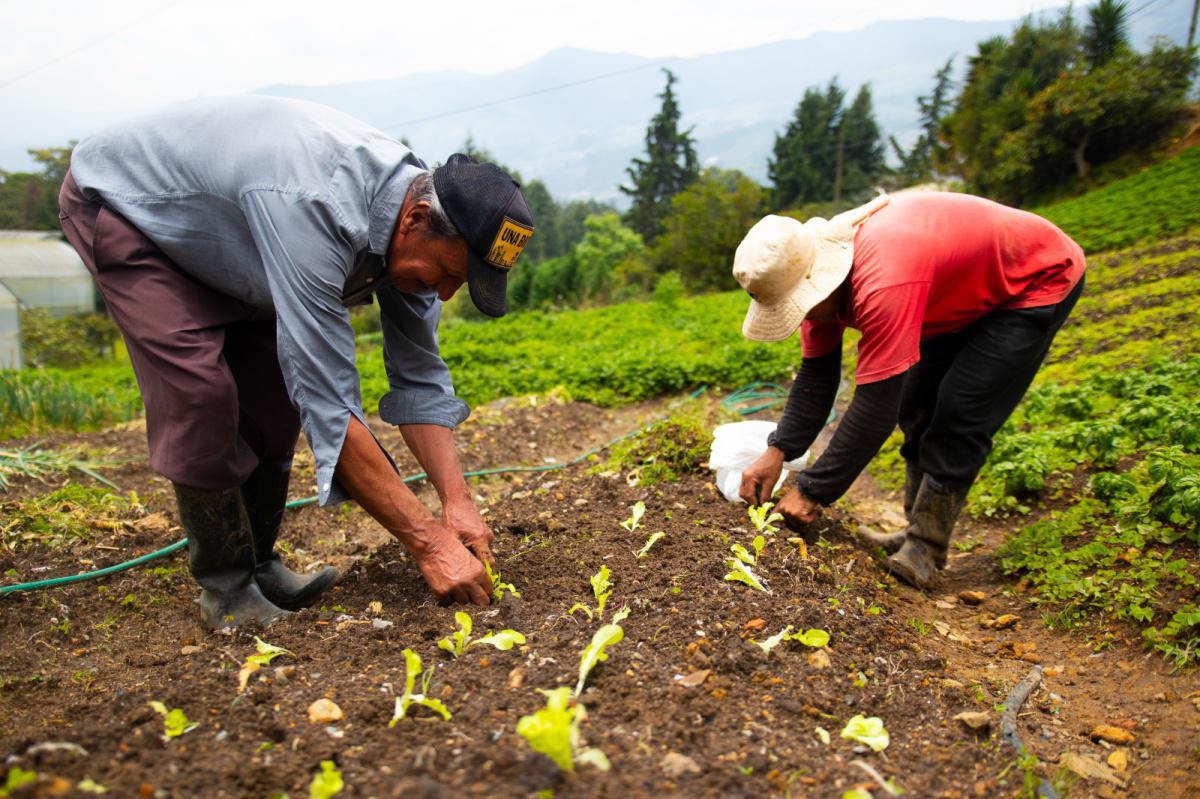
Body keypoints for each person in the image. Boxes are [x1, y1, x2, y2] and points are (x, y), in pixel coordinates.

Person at [58, 96, 535, 628]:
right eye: (447, 273)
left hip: (234, 227)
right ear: (417, 220)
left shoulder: (417, 225)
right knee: (201, 392)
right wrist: (429, 544)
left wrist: (457, 502)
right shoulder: (314, 206)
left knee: (270, 399)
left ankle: (259, 564)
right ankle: (228, 587)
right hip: (131, 208)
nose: (444, 294)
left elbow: (420, 376)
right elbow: (329, 403)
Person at [734, 191, 1085, 588]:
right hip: (953, 286)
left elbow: (874, 409)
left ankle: (926, 546)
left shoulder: (883, 281)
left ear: (816, 284)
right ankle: (913, 528)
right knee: (917, 403)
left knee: (959, 411)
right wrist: (778, 449)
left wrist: (811, 490)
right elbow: (817, 380)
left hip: (1032, 277)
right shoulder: (818, 293)